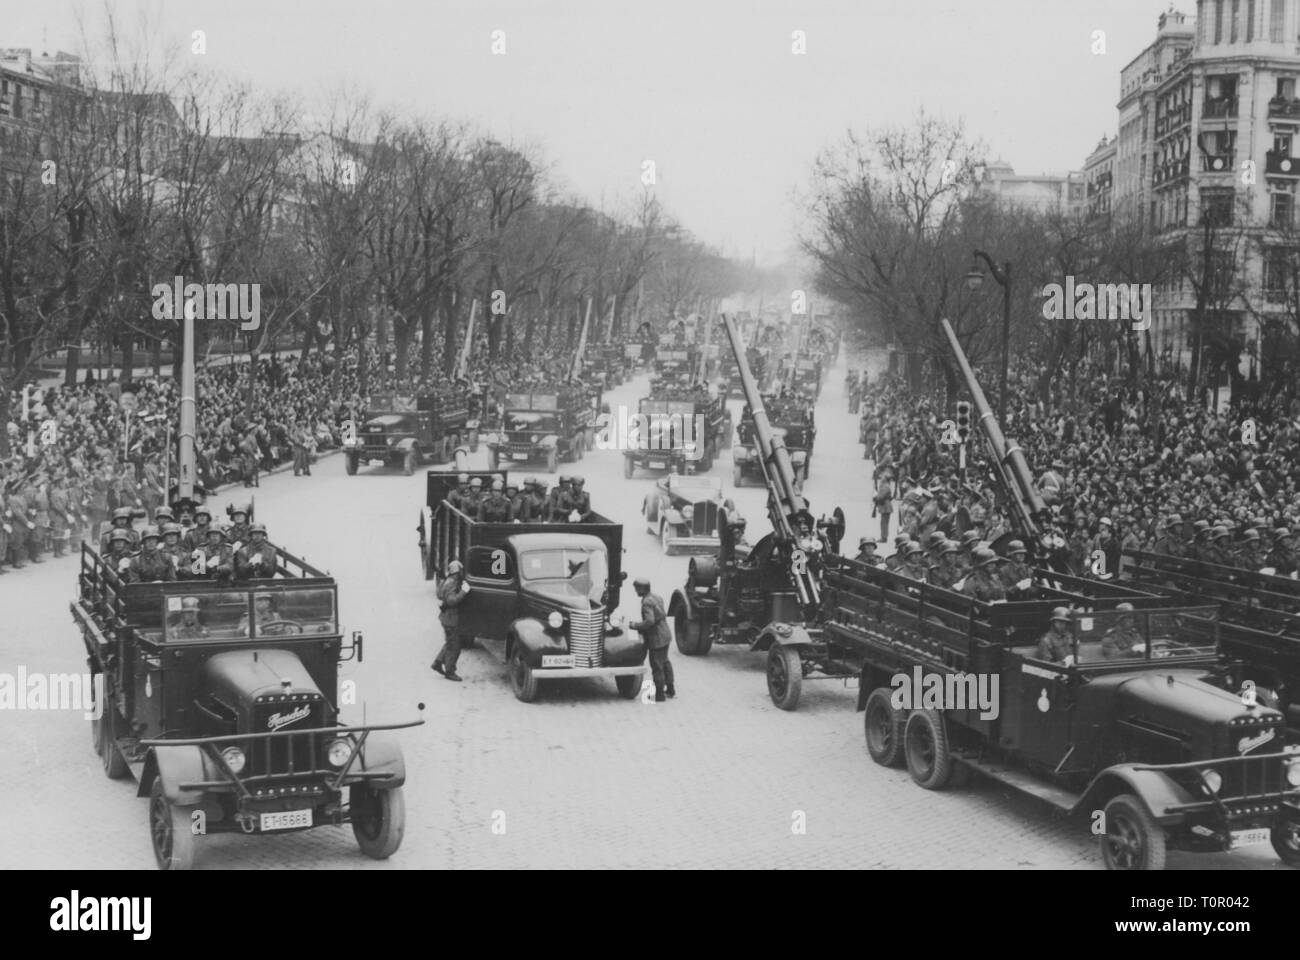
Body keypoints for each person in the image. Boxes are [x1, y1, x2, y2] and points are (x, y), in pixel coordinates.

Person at [628, 576, 674, 702]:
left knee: (657, 666)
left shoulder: (646, 602)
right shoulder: (657, 597)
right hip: (665, 634)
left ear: (641, 589)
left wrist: (634, 625)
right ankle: (670, 689)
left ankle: (659, 695)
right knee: (665, 662)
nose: (636, 591)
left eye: (637, 589)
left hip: (657, 638)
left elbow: (650, 621)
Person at [433, 560, 471, 681]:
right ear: (457, 572)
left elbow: (439, 595)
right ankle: (450, 671)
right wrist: (463, 592)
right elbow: (451, 601)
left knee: (450, 642)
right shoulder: (452, 583)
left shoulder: (447, 581)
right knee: (455, 646)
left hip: (446, 618)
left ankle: (438, 663)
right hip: (451, 619)